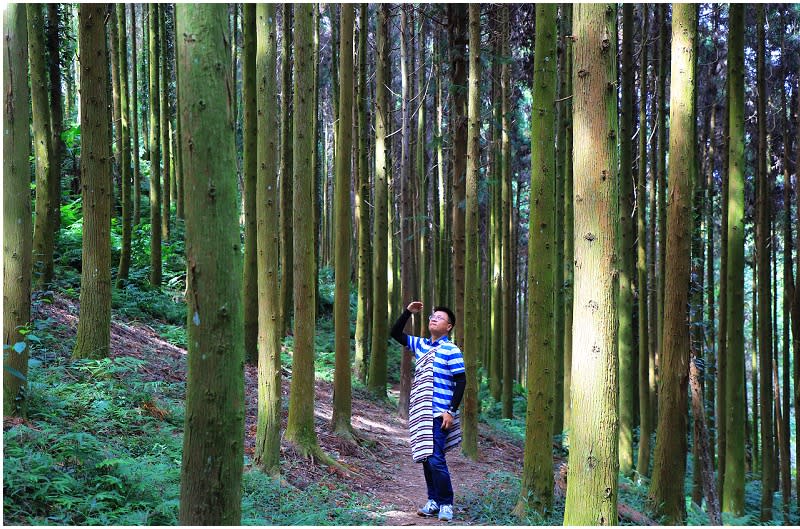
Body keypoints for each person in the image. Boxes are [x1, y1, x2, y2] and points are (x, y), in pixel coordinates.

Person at [391, 301, 466, 522]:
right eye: (432, 316)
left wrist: (450, 411)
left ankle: (446, 503)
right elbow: (395, 333)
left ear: (449, 326)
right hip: (421, 413)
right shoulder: (421, 345)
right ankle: (433, 500)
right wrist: (407, 312)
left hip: (439, 413)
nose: (433, 318)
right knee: (425, 457)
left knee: (435, 459)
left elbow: (461, 381)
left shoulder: (451, 350)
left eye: (439, 317)